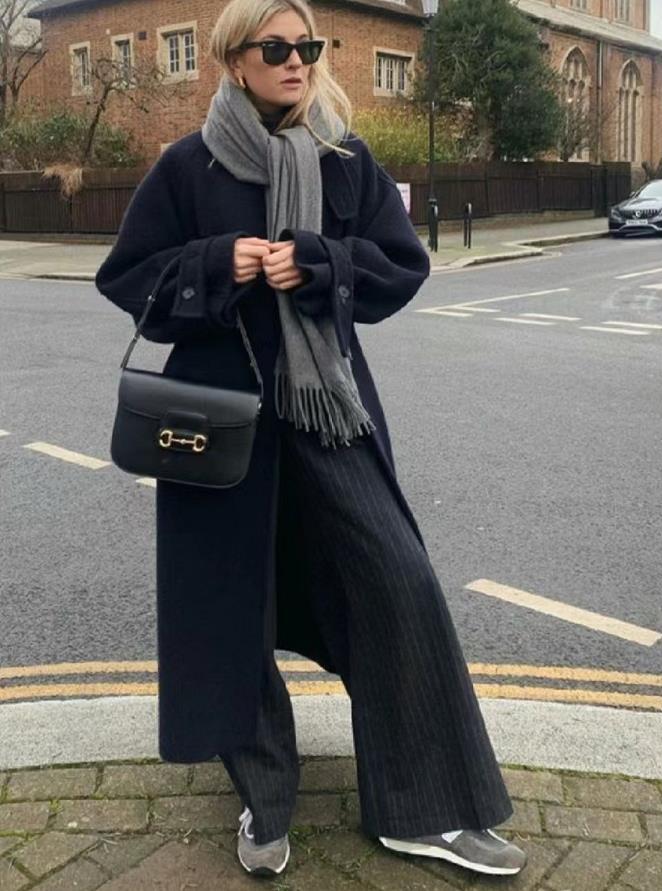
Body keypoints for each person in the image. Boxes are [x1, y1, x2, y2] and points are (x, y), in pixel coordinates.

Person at [95, 0, 526, 880]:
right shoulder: (186, 166)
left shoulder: (343, 158)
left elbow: (400, 267)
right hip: (219, 419)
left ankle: (427, 806)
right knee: (233, 607)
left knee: (399, 583)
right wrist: (217, 263)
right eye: (277, 47)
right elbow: (127, 278)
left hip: (327, 410)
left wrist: (323, 262)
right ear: (235, 61)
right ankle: (263, 798)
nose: (297, 60)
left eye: (308, 46)